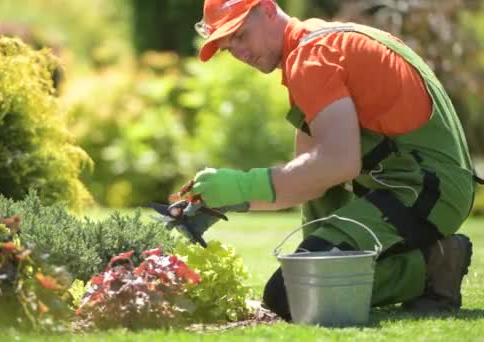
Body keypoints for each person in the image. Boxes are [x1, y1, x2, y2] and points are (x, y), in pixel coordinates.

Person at [186, 0, 484, 320]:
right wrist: (231, 200)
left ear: (269, 9)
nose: (240, 53)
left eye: (241, 35)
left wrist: (241, 185)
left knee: (292, 295)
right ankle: (340, 262)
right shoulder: (318, 42)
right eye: (230, 48)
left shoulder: (311, 57)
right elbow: (310, 180)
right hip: (426, 184)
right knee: (302, 271)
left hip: (425, 191)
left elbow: (338, 163)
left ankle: (434, 264)